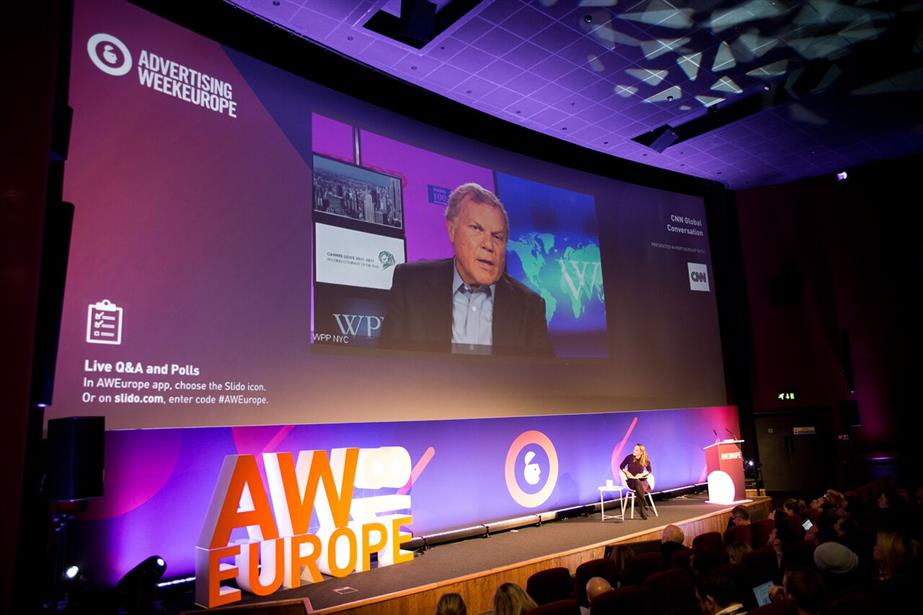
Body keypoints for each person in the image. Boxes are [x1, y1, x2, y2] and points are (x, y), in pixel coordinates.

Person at [378, 183, 552, 357]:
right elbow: (387, 366)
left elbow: (542, 379)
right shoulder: (411, 284)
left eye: (497, 236)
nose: (488, 245)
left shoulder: (529, 306)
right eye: (476, 229)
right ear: (452, 231)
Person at [619, 443, 652, 519]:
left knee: (638, 485)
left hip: (641, 481)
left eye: (636, 450)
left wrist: (642, 475)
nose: (634, 451)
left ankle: (642, 511)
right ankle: (644, 502)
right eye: (634, 449)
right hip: (631, 481)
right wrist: (627, 472)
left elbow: (649, 470)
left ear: (641, 452)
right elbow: (621, 466)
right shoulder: (629, 457)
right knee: (637, 483)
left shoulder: (645, 459)